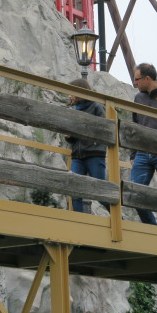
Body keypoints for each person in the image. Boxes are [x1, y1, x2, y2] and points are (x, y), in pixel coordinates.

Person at [130, 63, 157, 228]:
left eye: (137, 79)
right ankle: (152, 228)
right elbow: (135, 127)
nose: (135, 83)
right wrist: (133, 155)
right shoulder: (138, 98)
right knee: (133, 192)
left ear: (147, 79)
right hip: (143, 152)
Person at [65, 79, 109, 214]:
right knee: (75, 190)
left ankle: (118, 219)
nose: (69, 96)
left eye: (71, 93)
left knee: (100, 192)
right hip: (78, 155)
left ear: (79, 92)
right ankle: (80, 221)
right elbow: (74, 137)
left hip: (94, 154)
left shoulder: (97, 107)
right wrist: (70, 136)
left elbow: (103, 130)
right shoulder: (75, 109)